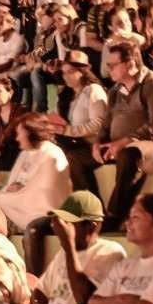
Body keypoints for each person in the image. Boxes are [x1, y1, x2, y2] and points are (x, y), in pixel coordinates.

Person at [95, 39, 153, 231]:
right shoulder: (114, 91)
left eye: (113, 65)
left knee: (129, 155)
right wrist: (98, 143)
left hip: (151, 144)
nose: (108, 69)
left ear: (130, 64)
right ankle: (93, 212)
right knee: (75, 158)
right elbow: (106, 124)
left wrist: (125, 141)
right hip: (118, 145)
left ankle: (114, 216)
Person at [0, 113, 73, 273]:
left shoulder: (52, 153)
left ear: (31, 132)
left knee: (32, 229)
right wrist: (14, 191)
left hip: (52, 212)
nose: (17, 138)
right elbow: (11, 185)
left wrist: (19, 190)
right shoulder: (25, 154)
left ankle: (34, 279)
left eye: (20, 133)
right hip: (24, 206)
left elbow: (47, 192)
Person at [53, 50, 110, 197]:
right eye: (64, 72)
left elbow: (98, 124)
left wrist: (67, 131)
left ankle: (92, 209)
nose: (66, 76)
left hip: (94, 146)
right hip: (74, 144)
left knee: (72, 158)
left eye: (71, 71)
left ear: (83, 71)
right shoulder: (67, 95)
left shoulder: (93, 90)